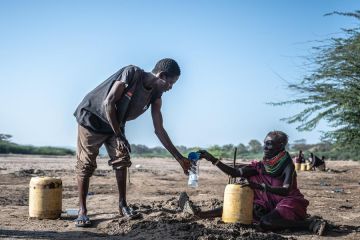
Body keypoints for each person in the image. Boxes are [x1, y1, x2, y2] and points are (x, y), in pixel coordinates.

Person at [73, 58, 191, 227]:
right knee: (86, 164)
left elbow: (159, 130)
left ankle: (122, 205)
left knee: (122, 159)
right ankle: (82, 211)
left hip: (116, 123)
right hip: (92, 119)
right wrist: (119, 136)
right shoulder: (132, 73)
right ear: (162, 75)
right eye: (170, 83)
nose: (170, 88)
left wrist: (180, 159)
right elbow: (108, 103)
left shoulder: (156, 95)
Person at [179, 131, 327, 235]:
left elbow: (286, 190)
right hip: (266, 203)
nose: (265, 148)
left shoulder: (287, 164)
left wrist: (259, 186)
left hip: (288, 202)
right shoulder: (261, 165)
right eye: (265, 144)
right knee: (237, 204)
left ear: (281, 146)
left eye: (269, 145)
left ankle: (308, 224)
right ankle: (200, 214)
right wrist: (212, 159)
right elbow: (235, 173)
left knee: (266, 223)